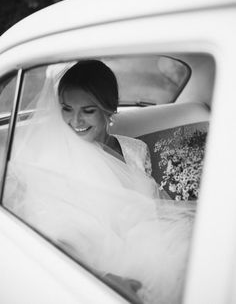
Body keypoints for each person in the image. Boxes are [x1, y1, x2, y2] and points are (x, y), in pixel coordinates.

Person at [3, 60, 196, 304]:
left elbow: (156, 208)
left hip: (157, 247)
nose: (75, 121)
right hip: (93, 272)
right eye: (66, 108)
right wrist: (103, 277)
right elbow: (54, 235)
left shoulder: (136, 150)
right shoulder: (52, 161)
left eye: (88, 110)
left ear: (109, 109)